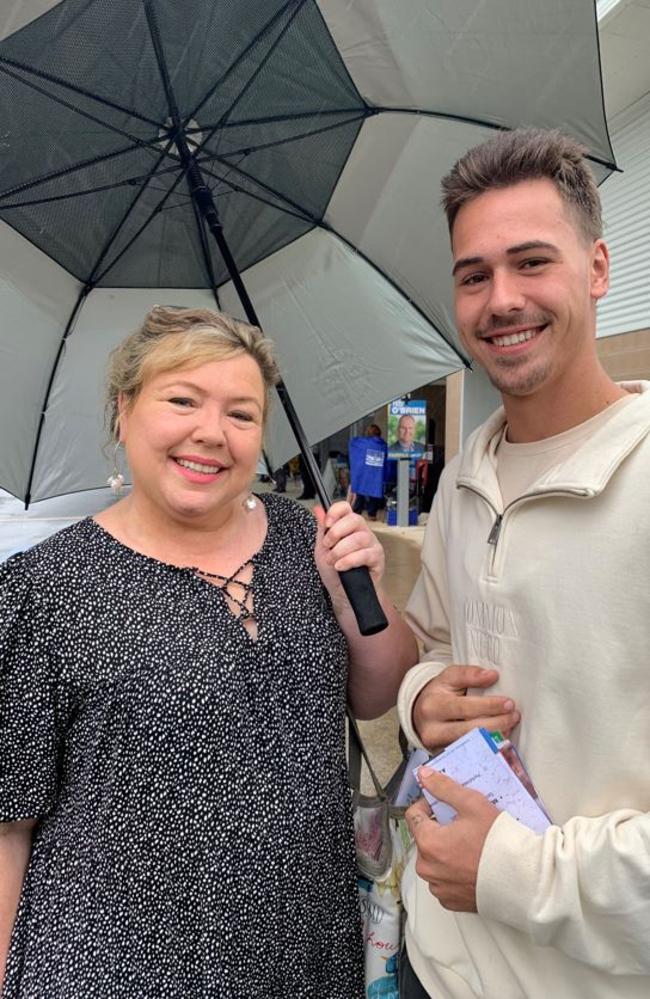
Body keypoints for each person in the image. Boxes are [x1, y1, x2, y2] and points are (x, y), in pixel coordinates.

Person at [0, 306, 418, 998]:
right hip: (117, 966)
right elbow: (7, 822)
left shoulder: (304, 538)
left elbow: (376, 696)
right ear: (124, 409)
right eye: (182, 400)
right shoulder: (46, 586)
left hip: (304, 951)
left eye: (241, 413)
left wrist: (355, 598)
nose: (210, 433)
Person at [396, 128, 650, 998]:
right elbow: (433, 646)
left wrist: (511, 870)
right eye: (474, 275)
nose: (501, 299)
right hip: (435, 962)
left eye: (531, 262)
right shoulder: (464, 477)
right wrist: (419, 697)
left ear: (599, 268)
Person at [349, 423, 387, 520]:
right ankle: (372, 514)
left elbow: (352, 443)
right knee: (373, 493)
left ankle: (356, 513)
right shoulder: (383, 445)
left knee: (360, 493)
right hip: (376, 475)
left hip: (363, 474)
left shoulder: (362, 443)